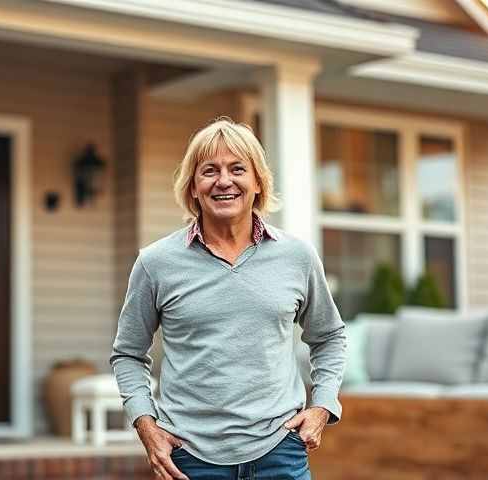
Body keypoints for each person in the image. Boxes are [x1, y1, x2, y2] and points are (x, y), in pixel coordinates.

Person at [110, 117, 347, 480]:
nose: (224, 181)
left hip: (280, 452)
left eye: (237, 169)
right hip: (189, 458)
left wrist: (322, 407)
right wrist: (146, 425)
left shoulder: (297, 256)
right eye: (209, 171)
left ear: (257, 182)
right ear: (192, 186)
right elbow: (128, 352)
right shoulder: (156, 263)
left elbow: (329, 336)